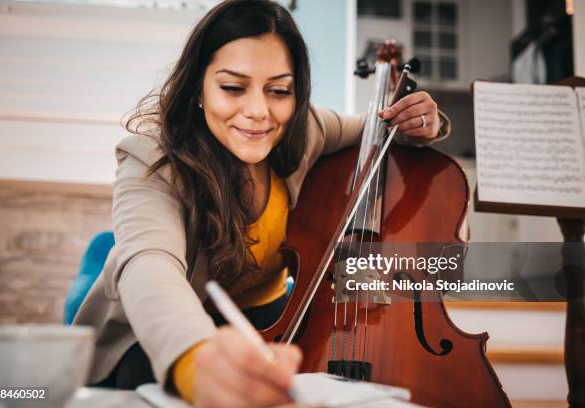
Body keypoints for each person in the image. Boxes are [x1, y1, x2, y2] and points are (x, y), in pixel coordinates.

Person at [72, 1, 450, 407]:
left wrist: (428, 123)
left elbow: (382, 128)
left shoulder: (304, 130)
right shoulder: (150, 155)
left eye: (279, 91)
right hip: (156, 333)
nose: (258, 112)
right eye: (233, 87)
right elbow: (149, 265)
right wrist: (196, 358)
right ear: (197, 87)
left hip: (269, 322)